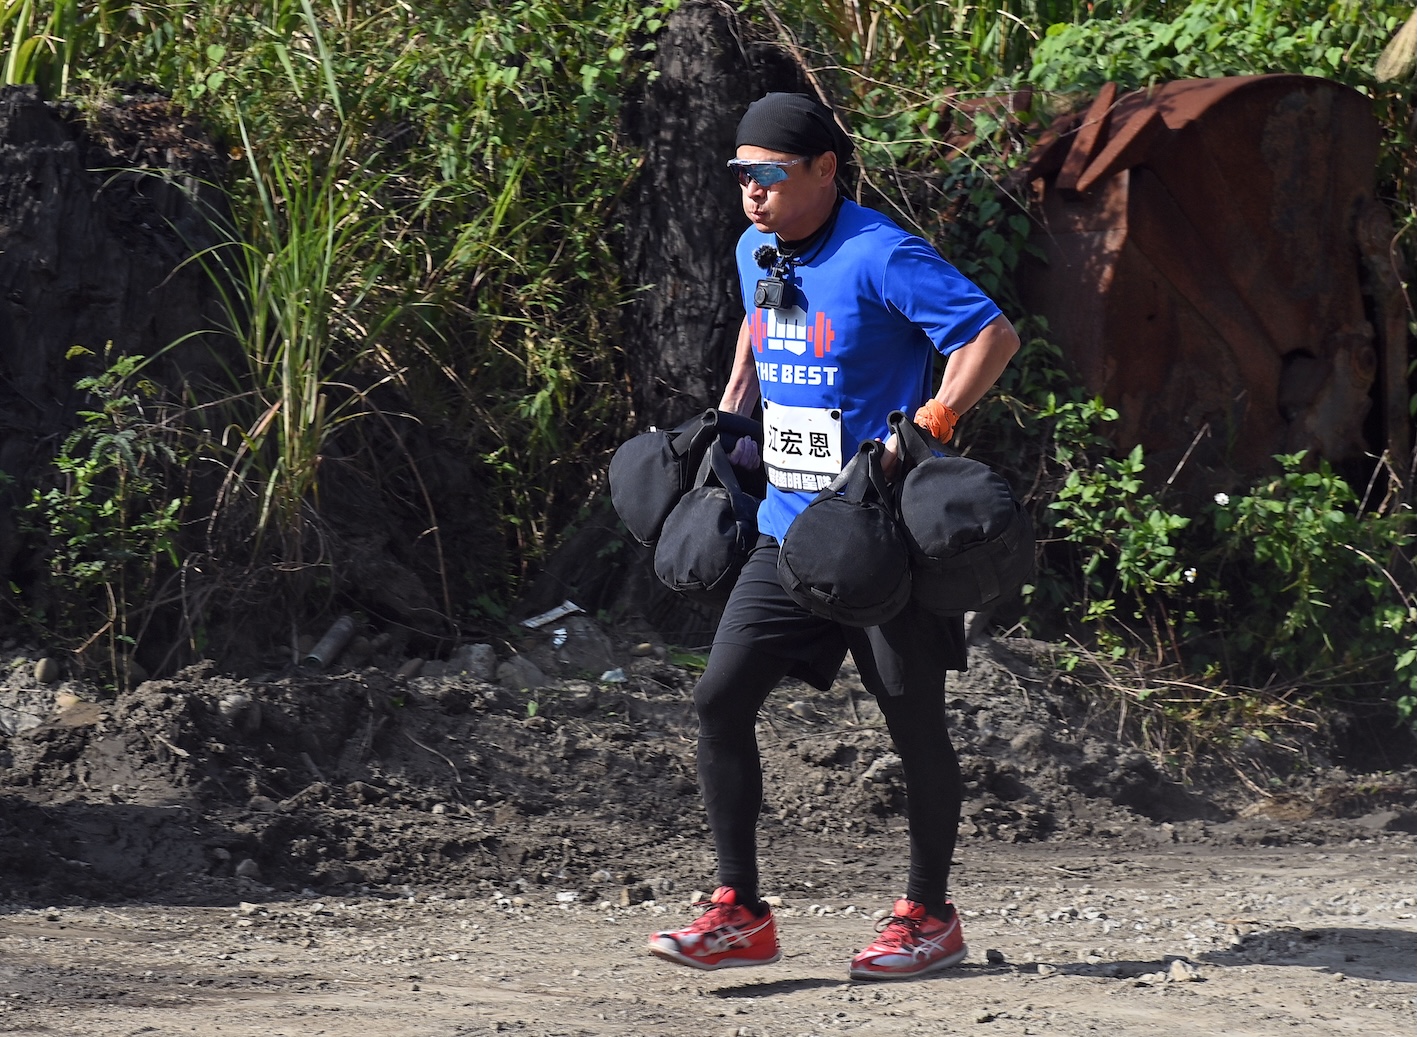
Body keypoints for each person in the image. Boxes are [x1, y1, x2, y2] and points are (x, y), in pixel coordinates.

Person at [647, 92, 1020, 980]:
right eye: (741, 175)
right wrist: (734, 414)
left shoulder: (879, 253)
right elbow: (756, 316)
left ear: (824, 169)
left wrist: (924, 425)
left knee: (911, 721)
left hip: (878, 537)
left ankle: (928, 915)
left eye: (769, 175)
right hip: (787, 527)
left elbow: (988, 335)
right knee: (720, 699)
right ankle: (740, 910)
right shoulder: (755, 247)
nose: (752, 192)